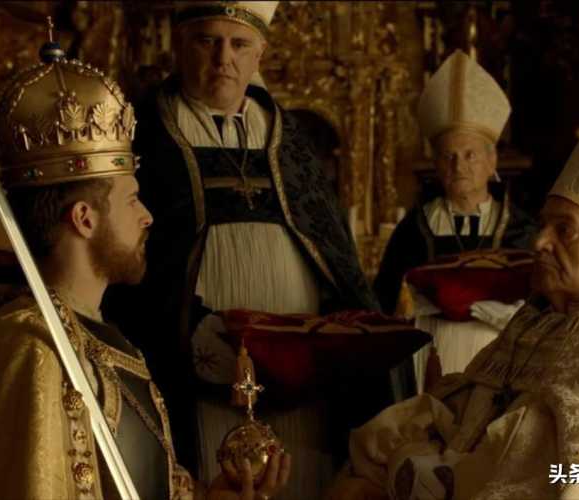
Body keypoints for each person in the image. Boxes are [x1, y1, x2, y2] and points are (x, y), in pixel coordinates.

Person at [325, 16, 579, 500]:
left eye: (564, 230)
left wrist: (446, 473)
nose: (539, 242)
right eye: (543, 225)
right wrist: (403, 452)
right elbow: (470, 403)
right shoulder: (547, 310)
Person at [0, 28, 289, 500]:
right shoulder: (33, 349)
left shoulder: (109, 341)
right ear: (84, 219)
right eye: (132, 199)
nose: (147, 217)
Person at [102, 3, 394, 499]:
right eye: (207, 41)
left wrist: (327, 337)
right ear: (180, 45)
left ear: (260, 53)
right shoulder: (141, 134)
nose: (224, 59)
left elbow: (337, 263)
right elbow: (126, 273)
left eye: (239, 44)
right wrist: (201, 335)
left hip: (301, 392)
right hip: (196, 384)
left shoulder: (290, 140)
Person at [374, 50, 536, 317]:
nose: (458, 167)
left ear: (492, 161)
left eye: (470, 155)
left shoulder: (521, 230)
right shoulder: (413, 230)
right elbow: (385, 301)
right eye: (449, 156)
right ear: (436, 164)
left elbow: (540, 305)